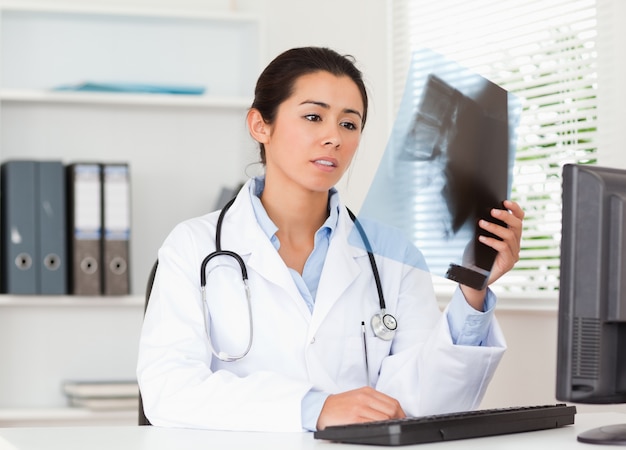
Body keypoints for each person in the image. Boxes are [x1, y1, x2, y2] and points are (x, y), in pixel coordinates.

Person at [136, 46, 525, 432]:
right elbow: (168, 389)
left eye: (349, 124)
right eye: (313, 116)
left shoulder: (391, 254)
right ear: (260, 125)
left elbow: (426, 406)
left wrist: (474, 289)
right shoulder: (192, 246)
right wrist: (314, 408)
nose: (333, 138)